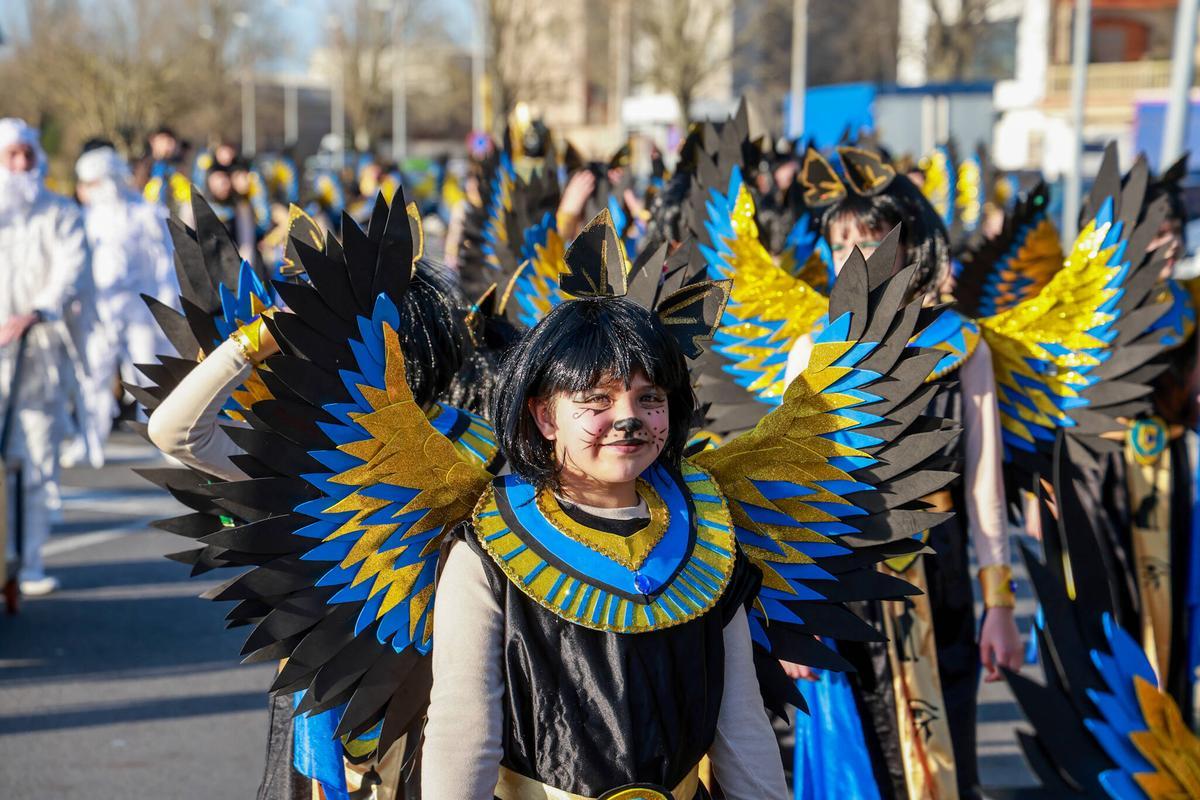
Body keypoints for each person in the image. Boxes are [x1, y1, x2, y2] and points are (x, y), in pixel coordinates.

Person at [781, 146, 1022, 800]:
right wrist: (791, 611)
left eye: (871, 238)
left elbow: (982, 486)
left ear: (908, 245)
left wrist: (1000, 603)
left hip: (940, 582)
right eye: (840, 243)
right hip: (846, 587)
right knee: (867, 766)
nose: (855, 256)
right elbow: (792, 493)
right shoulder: (813, 351)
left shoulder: (961, 344)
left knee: (947, 765)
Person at [0, 118, 99, 596]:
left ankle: (30, 560)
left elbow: (71, 269)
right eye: (11, 156)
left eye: (27, 156)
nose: (21, 165)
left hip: (36, 355)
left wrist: (36, 312)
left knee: (35, 457)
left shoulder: (60, 213)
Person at [75, 144, 175, 435]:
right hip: (100, 309)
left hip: (140, 309)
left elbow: (162, 262)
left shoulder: (145, 213)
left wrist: (165, 303)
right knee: (93, 373)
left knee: (149, 370)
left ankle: (160, 433)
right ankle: (90, 435)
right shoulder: (87, 218)